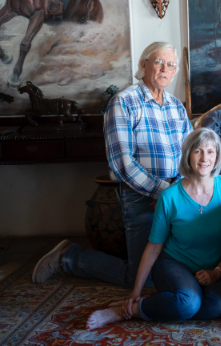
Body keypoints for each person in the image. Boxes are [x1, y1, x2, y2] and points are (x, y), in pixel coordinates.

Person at [32, 42, 192, 287]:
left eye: (171, 65)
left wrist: (176, 190)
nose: (165, 69)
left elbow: (189, 155)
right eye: (159, 62)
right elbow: (122, 164)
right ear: (143, 65)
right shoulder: (123, 102)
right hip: (141, 197)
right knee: (140, 278)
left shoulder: (176, 106)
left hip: (174, 195)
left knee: (179, 265)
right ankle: (69, 256)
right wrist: (161, 191)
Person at [86, 128, 221, 329]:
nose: (204, 158)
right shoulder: (169, 197)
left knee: (216, 307)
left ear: (218, 156)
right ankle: (128, 310)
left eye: (210, 151)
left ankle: (172, 301)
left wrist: (218, 272)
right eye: (198, 151)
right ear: (188, 155)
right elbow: (154, 247)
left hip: (213, 268)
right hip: (175, 263)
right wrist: (135, 292)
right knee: (189, 303)